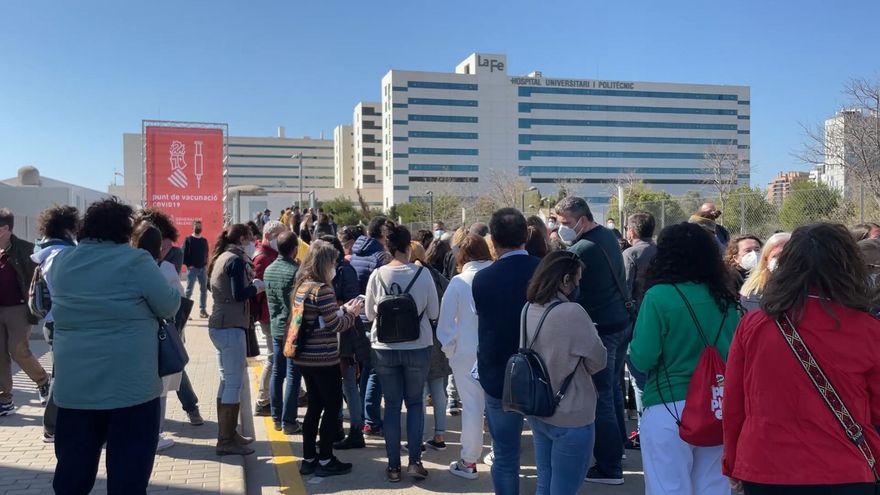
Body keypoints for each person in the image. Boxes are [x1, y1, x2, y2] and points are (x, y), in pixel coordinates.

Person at [724, 223, 880, 495]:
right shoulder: (867, 329)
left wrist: (732, 459)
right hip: (845, 466)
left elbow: (734, 402)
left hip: (765, 465)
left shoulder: (754, 326)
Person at [50, 199, 180, 494]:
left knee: (72, 475)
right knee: (128, 479)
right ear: (125, 230)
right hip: (130, 389)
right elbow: (168, 306)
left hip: (75, 391)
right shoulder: (136, 262)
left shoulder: (62, 262)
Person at [629, 222, 740, 495]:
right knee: (714, 486)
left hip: (668, 407)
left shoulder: (658, 297)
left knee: (668, 488)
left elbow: (642, 358)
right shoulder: (724, 298)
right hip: (717, 406)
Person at [555, 196, 630, 485]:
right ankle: (616, 449)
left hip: (604, 329)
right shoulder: (607, 236)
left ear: (582, 220)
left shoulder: (581, 249)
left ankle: (609, 467)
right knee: (611, 391)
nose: (561, 229)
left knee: (601, 400)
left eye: (565, 223)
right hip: (621, 322)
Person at [524, 251, 608, 495]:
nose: (578, 285)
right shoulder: (573, 313)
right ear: (564, 280)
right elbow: (598, 360)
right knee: (565, 488)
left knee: (545, 483)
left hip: (538, 408)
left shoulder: (528, 308)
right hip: (572, 413)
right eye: (577, 279)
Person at [472, 208, 541, 494]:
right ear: (526, 235)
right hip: (542, 373)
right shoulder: (545, 271)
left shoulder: (483, 279)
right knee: (546, 453)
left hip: (498, 374)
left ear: (493, 240)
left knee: (505, 455)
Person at [364, 223, 439, 482]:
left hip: (384, 348)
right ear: (409, 247)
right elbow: (434, 314)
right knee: (416, 403)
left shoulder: (378, 274)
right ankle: (415, 462)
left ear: (388, 247)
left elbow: (370, 313)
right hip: (418, 346)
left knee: (393, 406)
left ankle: (393, 467)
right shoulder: (423, 274)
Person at [291, 240, 363, 477]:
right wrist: (351, 314)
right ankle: (325, 459)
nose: (335, 266)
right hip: (323, 358)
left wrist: (341, 311)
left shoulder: (302, 286)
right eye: (333, 261)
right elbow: (334, 324)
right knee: (332, 407)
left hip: (303, 357)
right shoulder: (323, 289)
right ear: (325, 263)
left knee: (314, 407)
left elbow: (318, 319)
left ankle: (309, 457)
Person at [138, 209, 204, 427]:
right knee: (169, 366)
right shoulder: (138, 254)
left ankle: (191, 408)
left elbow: (165, 283)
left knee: (173, 363)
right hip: (151, 320)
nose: (162, 247)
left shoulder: (173, 254)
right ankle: (188, 408)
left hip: (169, 321)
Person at [437, 234, 493, 480]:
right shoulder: (498, 276)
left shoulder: (459, 282)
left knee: (471, 408)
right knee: (498, 406)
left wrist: (451, 352)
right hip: (497, 350)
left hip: (466, 353)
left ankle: (469, 461)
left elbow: (444, 326)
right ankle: (499, 454)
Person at [207, 224, 263, 456]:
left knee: (226, 380)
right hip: (230, 326)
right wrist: (256, 287)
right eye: (250, 238)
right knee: (233, 382)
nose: (252, 242)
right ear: (241, 239)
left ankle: (229, 433)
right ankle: (226, 439)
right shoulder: (236, 260)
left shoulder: (222, 256)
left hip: (221, 324)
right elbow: (239, 293)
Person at [131, 222, 183, 452]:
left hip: (131, 339)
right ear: (160, 248)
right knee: (159, 390)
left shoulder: (124, 267)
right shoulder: (165, 269)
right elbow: (175, 303)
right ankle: (155, 436)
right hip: (159, 338)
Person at [30, 205, 79, 442]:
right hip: (63, 322)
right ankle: (51, 426)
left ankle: (55, 425)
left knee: (61, 374)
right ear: (68, 227)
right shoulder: (62, 254)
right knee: (62, 377)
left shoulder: (45, 249)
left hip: (52, 321)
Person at [319, 235, 369, 450]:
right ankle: (338, 428)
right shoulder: (327, 270)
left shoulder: (344, 270)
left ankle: (356, 431)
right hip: (333, 330)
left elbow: (353, 299)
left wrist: (334, 305)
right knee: (336, 384)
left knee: (348, 383)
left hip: (345, 333)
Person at [0, 208, 50, 416]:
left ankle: (43, 381)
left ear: (6, 229)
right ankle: (5, 400)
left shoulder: (24, 248)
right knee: (0, 354)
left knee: (18, 349)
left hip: (19, 308)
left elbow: (37, 277)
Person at [350, 216, 391, 436]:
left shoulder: (356, 253)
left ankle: (365, 416)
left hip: (359, 316)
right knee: (375, 371)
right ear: (383, 233)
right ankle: (371, 420)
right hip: (374, 317)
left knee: (366, 368)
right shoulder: (380, 257)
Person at [410, 240, 451, 453]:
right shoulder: (436, 274)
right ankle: (440, 435)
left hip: (419, 336)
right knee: (438, 389)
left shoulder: (412, 274)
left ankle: (419, 438)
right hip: (439, 337)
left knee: (420, 391)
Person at [621, 211, 658, 448]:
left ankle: (645, 430)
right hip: (662, 319)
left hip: (636, 323)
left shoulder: (630, 254)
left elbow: (624, 289)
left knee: (639, 381)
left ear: (632, 231)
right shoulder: (663, 253)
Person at [263, 231, 304, 434]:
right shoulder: (296, 272)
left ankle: (276, 417)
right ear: (295, 249)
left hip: (276, 327)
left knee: (277, 373)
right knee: (293, 375)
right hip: (292, 329)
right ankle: (289, 420)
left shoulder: (269, 269)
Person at [253, 220, 288, 417]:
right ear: (270, 236)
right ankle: (262, 399)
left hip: (272, 314)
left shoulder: (270, 255)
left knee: (282, 356)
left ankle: (296, 393)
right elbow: (257, 289)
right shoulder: (263, 258)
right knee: (273, 358)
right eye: (279, 236)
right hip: (268, 316)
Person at [740, 232, 790, 312]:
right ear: (766, 259)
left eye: (787, 255)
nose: (781, 260)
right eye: (776, 256)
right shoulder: (752, 293)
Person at [183, 220, 210, 318]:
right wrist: (188, 265)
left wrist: (206, 265)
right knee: (189, 291)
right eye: (196, 226)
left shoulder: (204, 240)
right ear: (193, 227)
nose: (198, 227)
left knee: (204, 290)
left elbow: (206, 253)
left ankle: (202, 311)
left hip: (202, 269)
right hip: (192, 269)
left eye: (199, 226)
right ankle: (185, 313)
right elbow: (184, 253)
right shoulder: (188, 239)